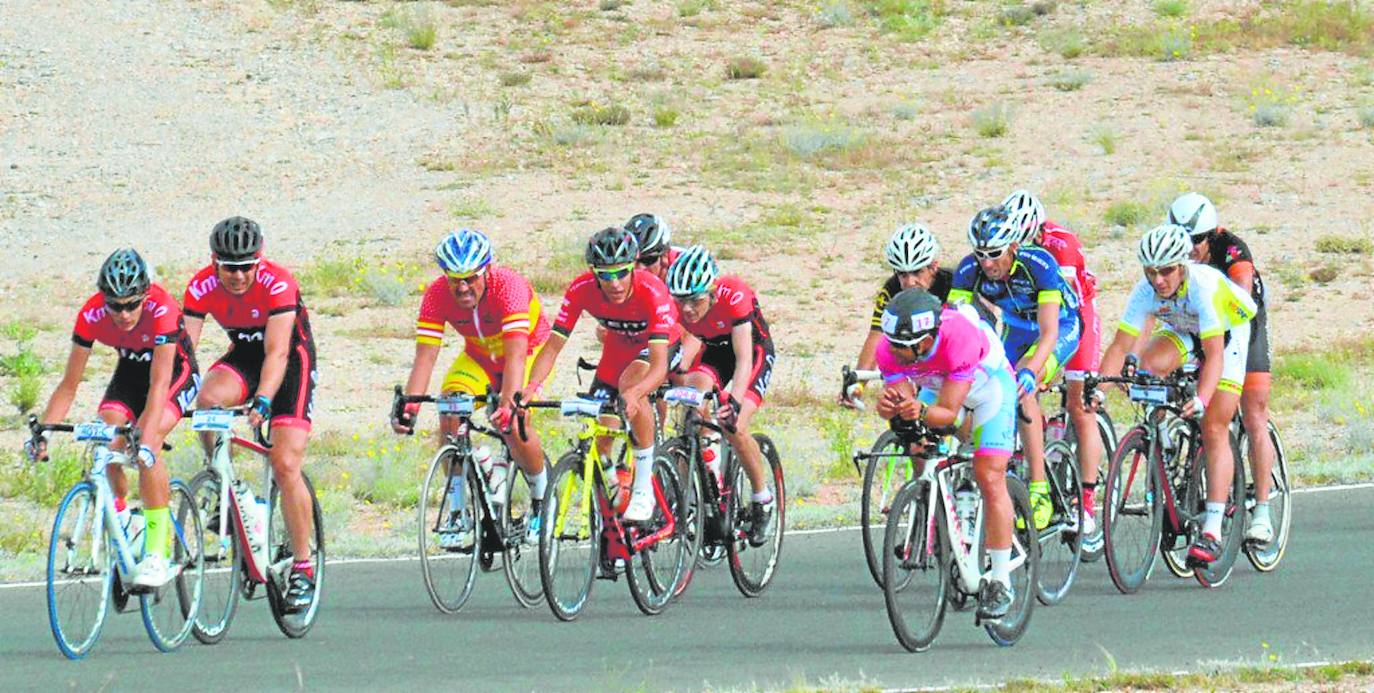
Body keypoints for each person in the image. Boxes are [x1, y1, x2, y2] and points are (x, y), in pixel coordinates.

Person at [28, 249, 200, 588]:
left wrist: (146, 439)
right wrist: (44, 433)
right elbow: (69, 384)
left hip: (173, 376)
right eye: (115, 306)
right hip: (131, 372)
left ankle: (157, 550)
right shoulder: (91, 313)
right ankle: (124, 522)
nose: (123, 314)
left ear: (145, 295)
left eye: (131, 305)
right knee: (106, 437)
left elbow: (159, 385)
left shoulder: (163, 309)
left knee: (148, 444)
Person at [1098, 223, 1257, 566]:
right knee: (1147, 368)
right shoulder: (1146, 290)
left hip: (1228, 335)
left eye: (1166, 271)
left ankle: (1212, 530)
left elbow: (1214, 355)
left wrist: (1201, 399)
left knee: (1213, 424)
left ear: (1183, 265)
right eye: (1151, 271)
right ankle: (1165, 443)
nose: (1158, 280)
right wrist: (1099, 393)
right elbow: (1121, 345)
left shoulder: (1203, 287)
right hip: (1186, 328)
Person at [183, 216, 319, 612]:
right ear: (215, 262)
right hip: (244, 356)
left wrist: (263, 400)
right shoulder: (200, 286)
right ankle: (228, 486)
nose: (239, 276)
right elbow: (183, 355)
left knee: (285, 463)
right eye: (230, 267)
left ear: (259, 261)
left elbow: (277, 353)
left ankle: (303, 566)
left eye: (247, 267)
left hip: (290, 363)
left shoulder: (279, 283)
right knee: (207, 400)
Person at [392, 229, 552, 546]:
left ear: (487, 270)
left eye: (470, 278)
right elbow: (425, 356)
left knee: (514, 423)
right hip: (479, 356)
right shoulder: (436, 295)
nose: (462, 287)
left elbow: (516, 356)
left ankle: (542, 499)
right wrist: (409, 407)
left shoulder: (509, 287)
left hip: (527, 352)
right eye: (455, 280)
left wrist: (508, 405)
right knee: (449, 410)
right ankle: (457, 510)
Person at [873, 288, 1019, 619]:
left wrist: (920, 411)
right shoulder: (889, 349)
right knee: (918, 444)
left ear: (925, 341)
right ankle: (941, 513)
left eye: (900, 347)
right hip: (941, 384)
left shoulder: (959, 336)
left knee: (989, 474)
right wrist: (890, 409)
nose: (892, 351)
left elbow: (949, 413)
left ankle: (1000, 581)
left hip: (989, 389)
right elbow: (902, 407)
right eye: (891, 343)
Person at [522, 227, 681, 523]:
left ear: (634, 266)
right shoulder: (581, 289)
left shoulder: (653, 291)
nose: (615, 283)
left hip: (658, 345)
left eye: (622, 273)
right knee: (601, 439)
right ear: (593, 274)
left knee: (631, 387)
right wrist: (532, 386)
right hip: (618, 347)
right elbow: (553, 346)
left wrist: (634, 394)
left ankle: (643, 489)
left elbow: (659, 367)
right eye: (605, 276)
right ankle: (615, 501)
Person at [949, 206, 1081, 531]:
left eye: (995, 254)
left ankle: (1039, 489)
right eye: (980, 254)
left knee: (1021, 387)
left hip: (1059, 326)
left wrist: (1030, 372)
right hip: (1015, 327)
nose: (986, 263)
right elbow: (954, 325)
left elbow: (1049, 333)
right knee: (980, 385)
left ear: (1013, 246)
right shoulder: (968, 269)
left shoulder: (1038, 264)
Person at [1169, 192, 1276, 544]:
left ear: (1212, 234)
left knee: (1254, 411)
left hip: (1243, 321)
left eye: (1197, 240)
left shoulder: (1232, 250)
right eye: (1183, 239)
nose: (1189, 248)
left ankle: (1262, 512)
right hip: (1202, 327)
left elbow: (1242, 303)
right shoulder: (1174, 254)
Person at [1004, 189, 1104, 546]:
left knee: (1079, 405)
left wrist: (1050, 369)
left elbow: (1065, 313)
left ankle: (1087, 505)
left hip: (1073, 314)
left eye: (1023, 240)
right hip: (1029, 318)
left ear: (1037, 231)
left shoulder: (1061, 247)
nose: (1016, 249)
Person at [665, 245, 777, 544]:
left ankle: (762, 499)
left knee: (733, 424)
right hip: (714, 351)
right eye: (681, 301)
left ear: (712, 292)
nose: (687, 309)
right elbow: (675, 353)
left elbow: (743, 360)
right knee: (692, 408)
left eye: (695, 300)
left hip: (751, 352)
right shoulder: (675, 307)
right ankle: (705, 491)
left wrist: (735, 402)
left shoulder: (734, 296)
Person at [841, 223, 954, 408]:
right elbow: (877, 337)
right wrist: (858, 385)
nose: (910, 282)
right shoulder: (891, 289)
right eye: (902, 274)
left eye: (917, 272)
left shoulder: (953, 283)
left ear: (934, 266)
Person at [625, 213, 680, 281]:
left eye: (647, 260)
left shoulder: (682, 273)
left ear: (665, 257)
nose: (639, 268)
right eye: (631, 260)